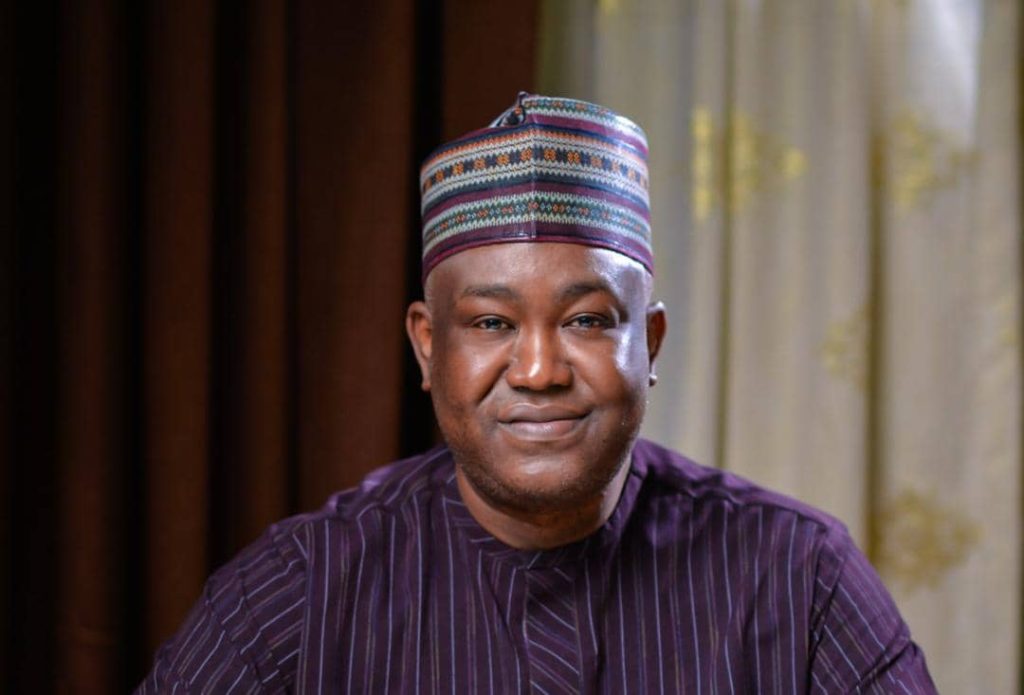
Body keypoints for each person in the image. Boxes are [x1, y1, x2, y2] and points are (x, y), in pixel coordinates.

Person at [136, 94, 936, 693]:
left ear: (650, 342)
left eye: (586, 319)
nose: (540, 369)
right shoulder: (301, 590)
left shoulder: (798, 576)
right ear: (427, 345)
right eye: (491, 323)